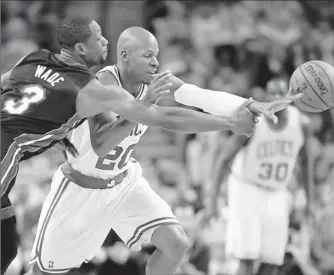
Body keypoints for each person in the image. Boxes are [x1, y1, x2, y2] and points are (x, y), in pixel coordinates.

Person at [0, 16, 265, 275]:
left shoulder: (152, 81)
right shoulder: (101, 85)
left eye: (156, 55)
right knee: (39, 270)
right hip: (82, 188)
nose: (156, 62)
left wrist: (243, 105)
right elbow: (107, 142)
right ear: (125, 56)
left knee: (176, 244)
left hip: (124, 182)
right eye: (148, 55)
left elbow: (193, 94)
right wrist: (228, 123)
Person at [205, 78, 314, 275]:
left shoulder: (302, 123)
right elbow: (224, 159)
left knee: (272, 259)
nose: (277, 97)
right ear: (264, 95)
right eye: (272, 93)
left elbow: (306, 164)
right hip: (246, 188)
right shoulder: (253, 121)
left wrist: (310, 201)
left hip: (277, 191)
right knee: (247, 256)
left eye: (281, 92)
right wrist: (212, 200)